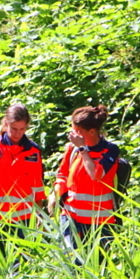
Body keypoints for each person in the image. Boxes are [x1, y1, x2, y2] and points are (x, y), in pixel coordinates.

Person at [0, 104, 45, 268]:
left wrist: (40, 217)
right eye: (14, 128)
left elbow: (38, 189)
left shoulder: (33, 151)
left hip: (24, 220)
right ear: (5, 123)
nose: (18, 133)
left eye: (22, 129)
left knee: (23, 266)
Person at [48, 105, 120, 265]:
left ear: (92, 132)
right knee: (71, 264)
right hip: (71, 216)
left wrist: (83, 149)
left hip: (99, 221)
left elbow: (95, 174)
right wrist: (55, 193)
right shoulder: (72, 149)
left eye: (77, 132)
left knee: (96, 267)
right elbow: (63, 174)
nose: (73, 136)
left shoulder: (110, 151)